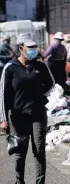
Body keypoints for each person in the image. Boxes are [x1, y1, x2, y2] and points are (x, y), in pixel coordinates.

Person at [0, 33, 55, 184]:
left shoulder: (40, 66)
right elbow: (3, 95)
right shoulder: (10, 68)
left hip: (37, 114)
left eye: (35, 47)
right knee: (20, 153)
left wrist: (39, 94)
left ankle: (40, 182)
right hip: (18, 116)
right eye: (30, 47)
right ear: (21, 48)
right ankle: (19, 181)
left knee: (39, 151)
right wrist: (3, 119)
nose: (33, 50)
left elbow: (51, 82)